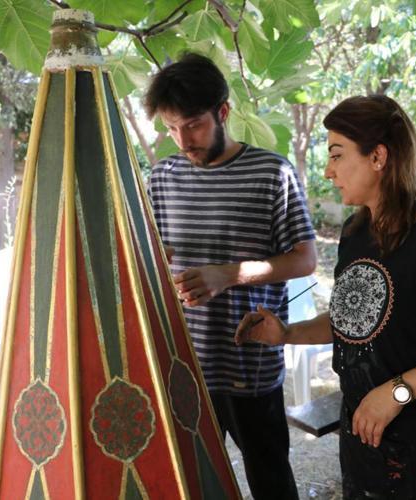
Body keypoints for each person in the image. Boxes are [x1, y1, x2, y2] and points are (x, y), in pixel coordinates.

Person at [236, 95, 416, 499]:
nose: (328, 170)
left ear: (378, 156)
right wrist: (288, 333)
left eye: (337, 154)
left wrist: (397, 391)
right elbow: (358, 319)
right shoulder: (357, 231)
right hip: (366, 436)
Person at [143, 53, 317, 500]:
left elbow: (305, 260)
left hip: (249, 363)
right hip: (183, 364)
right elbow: (154, 256)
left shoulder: (272, 173)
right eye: (172, 128)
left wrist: (229, 275)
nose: (183, 140)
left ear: (222, 112)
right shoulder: (161, 178)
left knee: (270, 480)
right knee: (192, 482)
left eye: (194, 125)